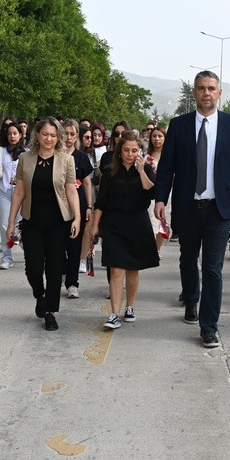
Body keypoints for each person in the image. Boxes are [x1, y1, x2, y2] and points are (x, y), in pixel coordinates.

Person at [154, 70, 230, 349]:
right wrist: (161, 199)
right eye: (201, 88)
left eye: (211, 88)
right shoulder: (179, 125)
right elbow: (167, 166)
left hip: (219, 209)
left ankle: (209, 326)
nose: (206, 93)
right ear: (193, 93)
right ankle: (191, 299)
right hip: (187, 206)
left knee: (213, 268)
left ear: (219, 93)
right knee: (187, 259)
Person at [7, 117, 81, 331]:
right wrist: (11, 221)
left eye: (53, 135)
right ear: (37, 135)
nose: (49, 138)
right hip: (32, 222)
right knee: (33, 268)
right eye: (45, 134)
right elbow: (19, 192)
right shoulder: (25, 159)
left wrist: (76, 217)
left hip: (59, 222)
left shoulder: (66, 159)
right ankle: (40, 294)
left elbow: (70, 191)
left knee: (55, 268)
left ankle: (51, 311)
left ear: (58, 137)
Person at [88, 132, 159, 329]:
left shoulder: (146, 170)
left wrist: (142, 170)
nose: (129, 153)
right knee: (116, 268)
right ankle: (113, 314)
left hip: (137, 223)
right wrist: (94, 226)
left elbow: (152, 192)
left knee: (132, 269)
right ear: (119, 152)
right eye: (126, 150)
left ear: (140, 152)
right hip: (114, 224)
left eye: (134, 150)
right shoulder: (109, 172)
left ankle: (130, 306)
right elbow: (101, 202)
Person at [63, 119, 94, 299]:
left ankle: (72, 283)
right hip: (58, 206)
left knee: (74, 246)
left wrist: (89, 206)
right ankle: (61, 271)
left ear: (77, 137)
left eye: (72, 134)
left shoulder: (81, 157)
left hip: (78, 205)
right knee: (58, 246)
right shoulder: (55, 155)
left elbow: (87, 182)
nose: (68, 137)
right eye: (65, 133)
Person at [0, 121, 25, 270]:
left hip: (20, 192)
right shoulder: (1, 150)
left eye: (15, 133)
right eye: (9, 134)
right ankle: (6, 257)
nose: (12, 136)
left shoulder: (26, 153)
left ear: (20, 135)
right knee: (4, 224)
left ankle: (30, 253)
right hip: (3, 191)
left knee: (20, 225)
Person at [145, 125, 167, 252]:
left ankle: (157, 250)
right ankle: (150, 250)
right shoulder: (146, 157)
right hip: (151, 193)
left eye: (160, 136)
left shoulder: (169, 156)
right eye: (154, 136)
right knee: (152, 221)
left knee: (163, 222)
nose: (157, 139)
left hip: (167, 194)